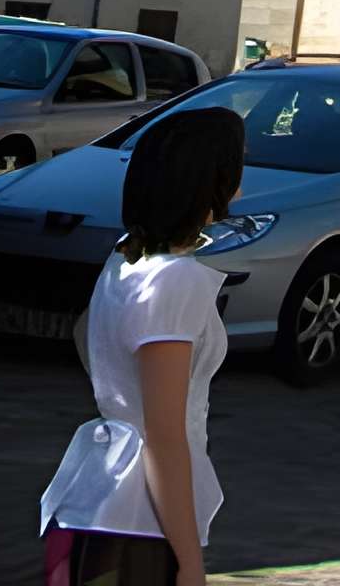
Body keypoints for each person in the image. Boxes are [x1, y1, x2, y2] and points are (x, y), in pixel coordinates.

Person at [39, 105, 246, 586]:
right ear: (212, 175)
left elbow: (84, 335)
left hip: (93, 502)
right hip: (134, 530)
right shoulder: (177, 280)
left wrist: (119, 400)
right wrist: (191, 565)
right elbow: (164, 437)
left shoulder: (126, 255)